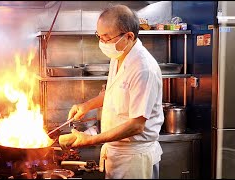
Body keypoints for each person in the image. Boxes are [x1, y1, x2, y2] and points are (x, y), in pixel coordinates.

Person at [58, 4, 164, 179]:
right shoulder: (119, 56)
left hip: (133, 161)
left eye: (106, 38)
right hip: (117, 154)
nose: (102, 43)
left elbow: (136, 125)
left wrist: (90, 140)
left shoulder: (143, 68)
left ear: (129, 36)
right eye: (99, 36)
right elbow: (116, 93)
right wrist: (86, 105)